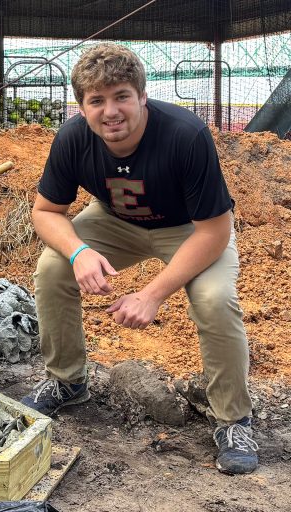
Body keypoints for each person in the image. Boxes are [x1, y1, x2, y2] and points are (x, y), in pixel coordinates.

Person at [23, 43, 257, 475]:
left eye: (121, 97)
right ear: (82, 107)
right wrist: (78, 252)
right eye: (97, 101)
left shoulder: (185, 135)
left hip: (191, 229)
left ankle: (233, 420)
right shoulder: (72, 138)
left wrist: (152, 294)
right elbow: (45, 211)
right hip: (115, 221)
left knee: (214, 299)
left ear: (142, 96)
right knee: (52, 267)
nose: (110, 111)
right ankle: (67, 381)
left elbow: (215, 230)